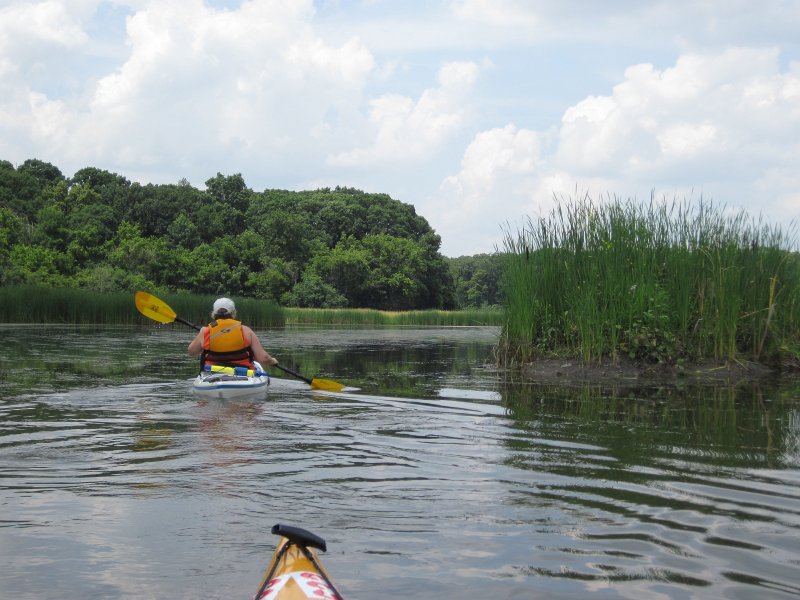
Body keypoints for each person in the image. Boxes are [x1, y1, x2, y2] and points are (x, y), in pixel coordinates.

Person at [188, 297, 278, 371]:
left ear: (213, 313)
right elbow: (263, 358)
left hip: (212, 372)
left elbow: (192, 352)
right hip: (243, 372)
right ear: (233, 312)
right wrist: (273, 361)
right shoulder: (245, 330)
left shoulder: (205, 331)